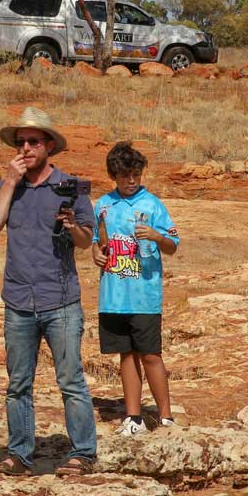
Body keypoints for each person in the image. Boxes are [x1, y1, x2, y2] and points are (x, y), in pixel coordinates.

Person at [0, 105, 97, 475]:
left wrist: (71, 224)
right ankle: (20, 454)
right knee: (18, 384)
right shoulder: (4, 188)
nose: (26, 149)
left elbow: (85, 240)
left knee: (71, 380)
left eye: (34, 141)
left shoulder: (69, 187)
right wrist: (11, 181)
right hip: (18, 300)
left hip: (60, 300)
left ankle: (82, 453)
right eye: (21, 143)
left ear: (49, 145)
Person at [92, 141, 179, 436]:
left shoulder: (153, 205)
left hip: (144, 296)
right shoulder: (102, 205)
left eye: (136, 175)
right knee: (126, 355)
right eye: (125, 175)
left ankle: (166, 417)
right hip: (113, 297)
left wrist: (156, 236)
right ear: (113, 175)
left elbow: (173, 246)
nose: (131, 181)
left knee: (151, 354)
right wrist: (95, 251)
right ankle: (134, 418)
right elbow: (95, 240)